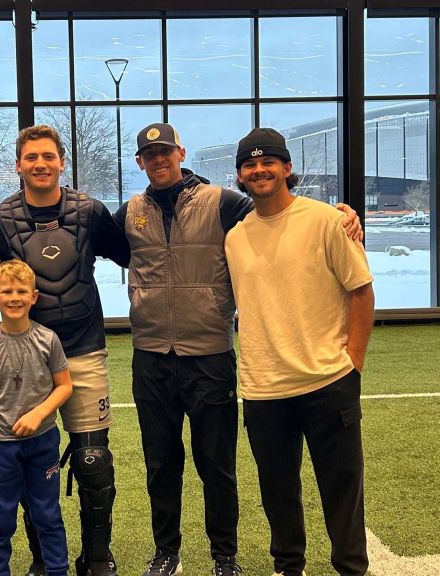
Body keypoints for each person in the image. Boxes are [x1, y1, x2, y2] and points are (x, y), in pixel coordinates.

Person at [114, 123, 362, 576]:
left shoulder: (222, 202)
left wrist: (344, 213)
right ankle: (167, 552)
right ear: (140, 162)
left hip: (208, 355)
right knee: (160, 465)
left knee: (217, 466)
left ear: (180, 152)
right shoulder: (130, 213)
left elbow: (278, 213)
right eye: (149, 155)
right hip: (150, 356)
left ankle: (223, 556)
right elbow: (87, 243)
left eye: (165, 152)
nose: (159, 160)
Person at [224, 128, 375, 576]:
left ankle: (352, 568)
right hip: (264, 388)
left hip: (328, 381)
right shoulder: (235, 238)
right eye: (249, 164)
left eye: (268, 161)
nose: (259, 170)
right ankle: (288, 568)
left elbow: (361, 293)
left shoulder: (328, 220)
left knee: (342, 489)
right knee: (277, 492)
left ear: (287, 168)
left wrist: (354, 364)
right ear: (240, 175)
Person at [0, 124, 129, 576]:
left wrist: (188, 190)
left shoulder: (90, 211)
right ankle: (45, 558)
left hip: (83, 348)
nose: (40, 164)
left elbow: (139, 249)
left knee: (92, 458)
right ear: (19, 164)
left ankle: (97, 557)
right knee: (28, 458)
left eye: (48, 156)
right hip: (25, 357)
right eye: (31, 157)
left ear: (62, 161)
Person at [0, 259, 73, 576]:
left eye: (22, 291)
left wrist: (39, 414)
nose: (14, 297)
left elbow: (65, 387)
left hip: (42, 442)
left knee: (47, 515)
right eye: (7, 291)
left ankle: (57, 571)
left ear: (34, 296)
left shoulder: (48, 340)